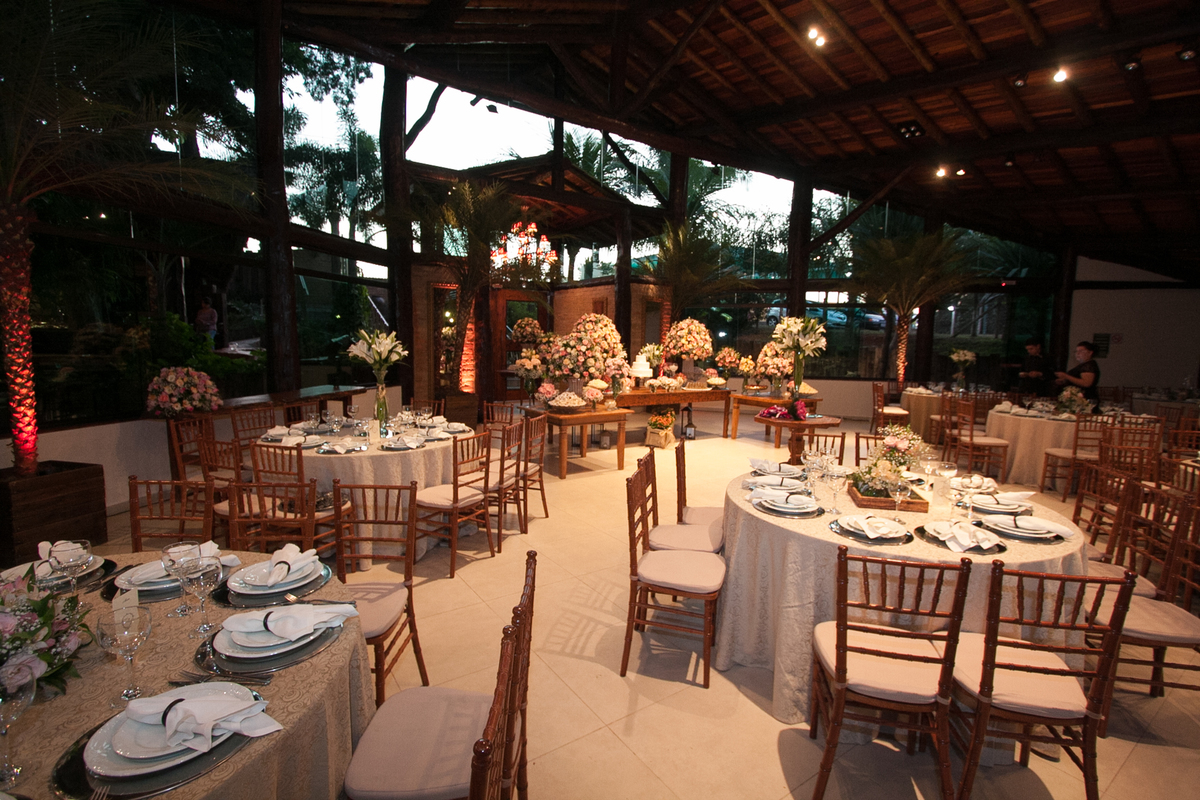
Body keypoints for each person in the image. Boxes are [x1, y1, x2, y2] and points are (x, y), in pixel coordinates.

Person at [1055, 340, 1101, 408]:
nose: (1078, 353)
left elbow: (1086, 383)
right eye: (1076, 351)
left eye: (1081, 351)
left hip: (1085, 400)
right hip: (1077, 400)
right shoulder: (1083, 365)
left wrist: (1066, 376)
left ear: (1090, 353)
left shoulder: (1089, 366)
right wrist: (1065, 380)